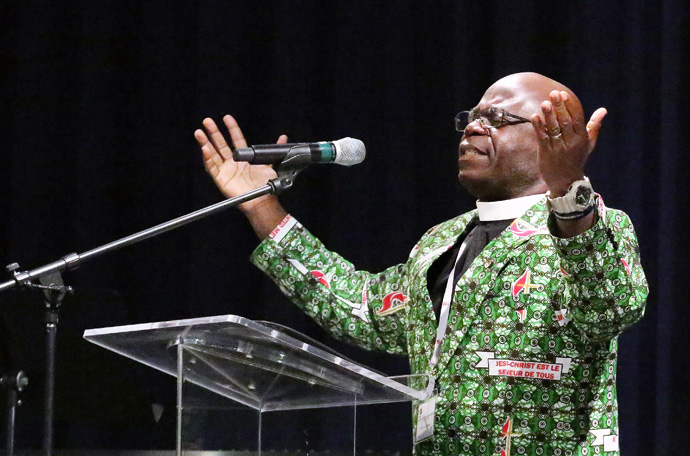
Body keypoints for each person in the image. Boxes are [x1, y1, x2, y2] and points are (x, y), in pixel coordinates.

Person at [195, 72, 647, 456]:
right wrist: (262, 208)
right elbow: (363, 310)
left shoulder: (589, 228)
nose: (472, 127)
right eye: (471, 117)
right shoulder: (441, 241)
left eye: (497, 119)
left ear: (552, 138)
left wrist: (568, 185)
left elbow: (609, 308)